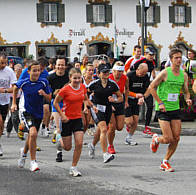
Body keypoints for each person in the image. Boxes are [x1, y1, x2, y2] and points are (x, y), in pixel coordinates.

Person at [149, 48, 192, 172]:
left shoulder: (183, 75)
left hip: (175, 108)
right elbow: (152, 88)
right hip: (163, 108)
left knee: (177, 138)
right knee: (168, 138)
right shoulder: (164, 73)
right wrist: (160, 102)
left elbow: (186, 91)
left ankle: (165, 162)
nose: (179, 60)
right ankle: (156, 139)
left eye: (180, 58)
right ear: (171, 60)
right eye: (176, 58)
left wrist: (187, 99)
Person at [11, 60, 51, 171]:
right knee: (33, 133)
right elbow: (15, 88)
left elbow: (49, 98)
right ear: (28, 71)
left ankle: (23, 155)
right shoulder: (24, 82)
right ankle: (33, 162)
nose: (36, 73)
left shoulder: (43, 82)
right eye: (34, 70)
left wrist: (44, 94)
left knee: (31, 136)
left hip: (38, 113)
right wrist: (14, 103)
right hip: (26, 111)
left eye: (38, 70)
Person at [53, 68, 91, 177]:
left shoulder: (83, 87)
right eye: (75, 78)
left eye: (79, 78)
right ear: (70, 78)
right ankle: (60, 142)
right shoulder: (65, 90)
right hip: (67, 120)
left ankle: (73, 167)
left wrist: (85, 107)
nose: (77, 80)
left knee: (79, 143)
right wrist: (62, 115)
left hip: (77, 118)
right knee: (67, 147)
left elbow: (85, 98)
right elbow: (55, 103)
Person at [88, 63, 123, 163]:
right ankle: (105, 154)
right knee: (104, 129)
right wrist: (91, 106)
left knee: (100, 131)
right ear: (98, 73)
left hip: (107, 108)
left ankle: (92, 145)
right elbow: (84, 96)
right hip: (96, 108)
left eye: (107, 72)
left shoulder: (112, 84)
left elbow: (120, 97)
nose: (106, 74)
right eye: (104, 72)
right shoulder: (94, 84)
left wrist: (114, 100)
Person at [47, 57, 69, 162]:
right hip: (55, 103)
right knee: (59, 127)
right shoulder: (50, 78)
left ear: (65, 66)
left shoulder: (69, 76)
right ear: (55, 66)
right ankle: (59, 152)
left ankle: (57, 134)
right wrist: (53, 94)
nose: (60, 67)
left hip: (67, 104)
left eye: (62, 65)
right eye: (58, 65)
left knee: (64, 128)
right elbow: (48, 94)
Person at [130, 47, 156, 136]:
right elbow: (131, 72)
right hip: (137, 87)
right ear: (145, 54)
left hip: (147, 87)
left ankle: (147, 127)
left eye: (153, 55)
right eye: (150, 55)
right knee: (135, 107)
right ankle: (130, 123)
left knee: (150, 106)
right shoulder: (140, 62)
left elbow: (153, 72)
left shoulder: (153, 63)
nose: (151, 57)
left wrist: (154, 78)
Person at [124, 63, 150, 145]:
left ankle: (129, 137)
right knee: (129, 121)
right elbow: (124, 90)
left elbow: (148, 89)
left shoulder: (145, 77)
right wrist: (135, 95)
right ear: (137, 69)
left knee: (135, 121)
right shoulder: (130, 75)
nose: (142, 75)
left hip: (137, 100)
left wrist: (143, 97)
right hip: (127, 99)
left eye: (144, 73)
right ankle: (123, 121)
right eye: (141, 73)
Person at [107, 61, 129, 154]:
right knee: (112, 127)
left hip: (119, 101)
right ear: (113, 71)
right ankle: (110, 145)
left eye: (121, 71)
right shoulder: (109, 78)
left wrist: (126, 101)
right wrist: (109, 103)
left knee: (119, 127)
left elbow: (127, 89)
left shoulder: (125, 78)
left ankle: (109, 129)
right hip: (109, 102)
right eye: (117, 71)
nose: (119, 73)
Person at [0, 53, 17, 156]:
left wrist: (5, 91)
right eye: (1, 63)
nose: (3, 65)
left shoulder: (9, 71)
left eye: (5, 63)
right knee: (0, 122)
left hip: (5, 101)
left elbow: (15, 87)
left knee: (1, 127)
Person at [6, 64, 23, 137]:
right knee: (15, 115)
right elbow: (9, 89)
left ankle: (8, 129)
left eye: (19, 70)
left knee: (13, 115)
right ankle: (18, 132)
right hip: (11, 98)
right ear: (14, 70)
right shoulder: (11, 78)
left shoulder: (22, 78)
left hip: (20, 98)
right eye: (16, 70)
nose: (18, 72)